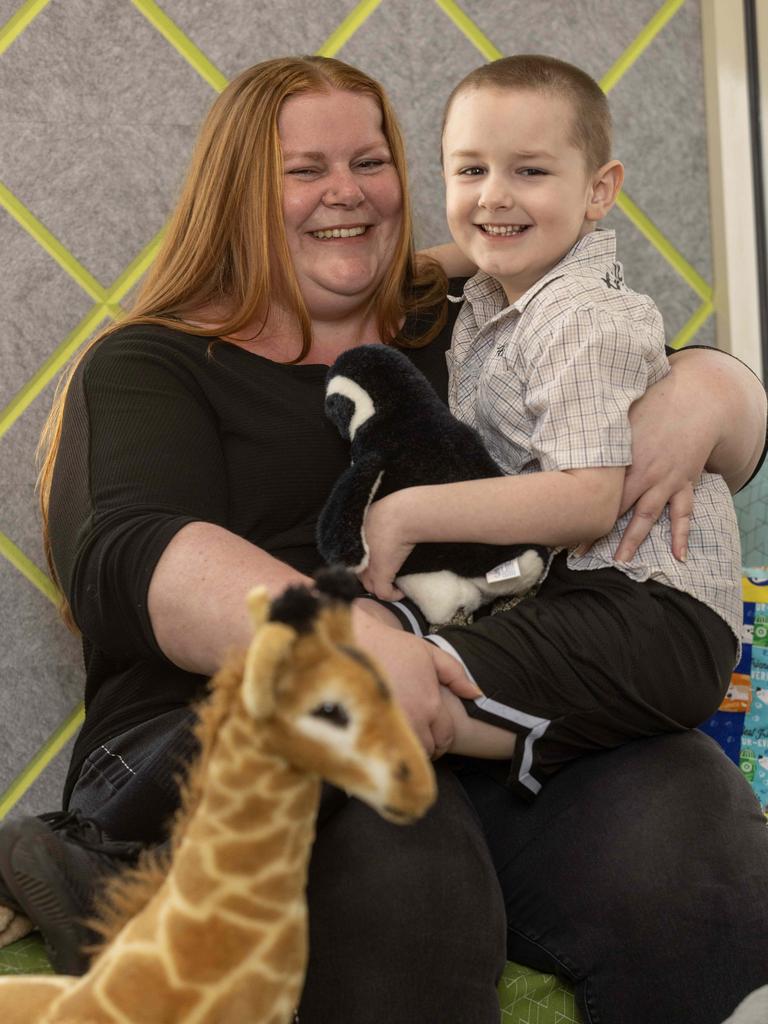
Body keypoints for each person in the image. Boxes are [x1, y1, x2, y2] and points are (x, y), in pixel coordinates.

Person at [0, 54, 764, 1024]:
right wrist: (347, 648)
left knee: (687, 819)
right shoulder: (154, 364)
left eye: (371, 160)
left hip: (478, 702)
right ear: (239, 189)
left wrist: (711, 389)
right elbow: (130, 552)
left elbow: (624, 382)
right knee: (399, 826)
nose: (346, 192)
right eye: (303, 169)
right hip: (220, 737)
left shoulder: (466, 328)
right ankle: (87, 856)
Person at [359, 54, 742, 800]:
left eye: (530, 172)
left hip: (651, 613)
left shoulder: (582, 318)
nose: (495, 196)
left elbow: (587, 500)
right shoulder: (502, 290)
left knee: (384, 691)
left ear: (600, 190)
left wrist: (404, 512)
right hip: (590, 601)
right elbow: (426, 267)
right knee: (392, 703)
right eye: (469, 172)